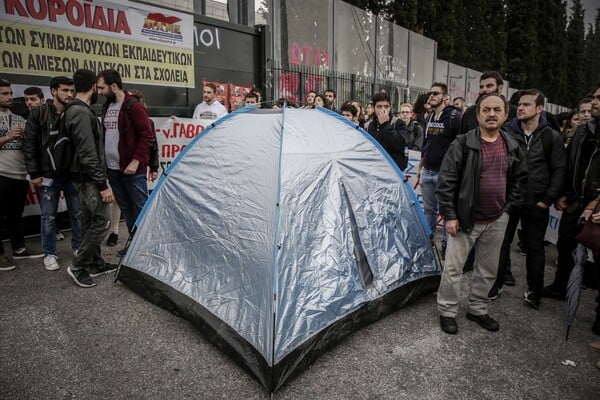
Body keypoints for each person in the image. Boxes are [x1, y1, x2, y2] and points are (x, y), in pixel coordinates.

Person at [436, 93, 528, 334]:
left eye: (497, 110)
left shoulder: (512, 144)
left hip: (497, 219)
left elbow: (520, 180)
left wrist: (507, 210)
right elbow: (446, 181)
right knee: (453, 268)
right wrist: (451, 215)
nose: (491, 114)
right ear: (477, 115)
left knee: (488, 269)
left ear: (505, 115)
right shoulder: (463, 143)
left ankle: (477, 309)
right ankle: (447, 311)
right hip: (465, 219)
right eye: (486, 110)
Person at [490, 89, 566, 306]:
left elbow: (559, 169)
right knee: (502, 244)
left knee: (534, 248)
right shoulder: (507, 133)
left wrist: (548, 199)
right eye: (519, 104)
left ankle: (534, 291)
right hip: (510, 199)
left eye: (526, 105)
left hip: (536, 202)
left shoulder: (551, 137)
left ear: (539, 109)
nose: (520, 108)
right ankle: (496, 284)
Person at [545, 83, 600, 337]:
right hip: (575, 201)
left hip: (596, 207)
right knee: (565, 246)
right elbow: (569, 164)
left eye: (597, 101)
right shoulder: (580, 133)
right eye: (590, 103)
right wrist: (563, 193)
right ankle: (560, 286)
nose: (591, 108)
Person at [22, 77, 83, 271]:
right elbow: (29, 145)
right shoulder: (39, 114)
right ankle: (49, 253)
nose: (69, 94)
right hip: (48, 174)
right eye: (65, 90)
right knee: (48, 216)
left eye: (71, 90)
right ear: (53, 91)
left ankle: (79, 248)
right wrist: (34, 173)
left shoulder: (74, 111)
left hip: (72, 174)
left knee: (78, 213)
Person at [65, 69, 116, 287]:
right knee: (102, 220)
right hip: (89, 179)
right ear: (94, 87)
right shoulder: (81, 112)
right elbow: (88, 153)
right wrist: (102, 184)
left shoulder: (74, 110)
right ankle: (78, 265)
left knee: (88, 221)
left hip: (82, 178)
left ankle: (95, 262)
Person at [97, 69, 154, 255]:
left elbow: (147, 135)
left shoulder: (134, 106)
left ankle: (147, 247)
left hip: (132, 171)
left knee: (140, 208)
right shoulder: (107, 106)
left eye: (102, 88)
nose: (99, 92)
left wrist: (136, 161)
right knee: (127, 209)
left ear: (114, 86)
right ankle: (134, 246)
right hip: (114, 170)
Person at [0, 78, 44, 270]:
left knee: (15, 215)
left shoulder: (19, 118)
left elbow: (30, 147)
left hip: (19, 174)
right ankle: (1, 255)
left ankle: (19, 249)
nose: (10, 97)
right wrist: (7, 137)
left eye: (10, 93)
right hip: (1, 173)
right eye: (4, 94)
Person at [417, 83, 462, 256]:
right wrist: (420, 167)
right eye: (430, 93)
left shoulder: (454, 116)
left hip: (445, 174)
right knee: (429, 211)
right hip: (428, 171)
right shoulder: (429, 117)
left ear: (444, 96)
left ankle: (446, 246)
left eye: (435, 93)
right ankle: (429, 243)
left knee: (446, 213)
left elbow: (461, 144)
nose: (431, 96)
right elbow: (426, 145)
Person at [367, 92, 408, 170]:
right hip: (376, 168)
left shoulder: (398, 123)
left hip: (393, 169)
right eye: (379, 107)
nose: (383, 109)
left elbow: (399, 145)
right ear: (373, 108)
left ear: (390, 107)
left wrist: (385, 124)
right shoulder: (370, 125)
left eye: (386, 106)